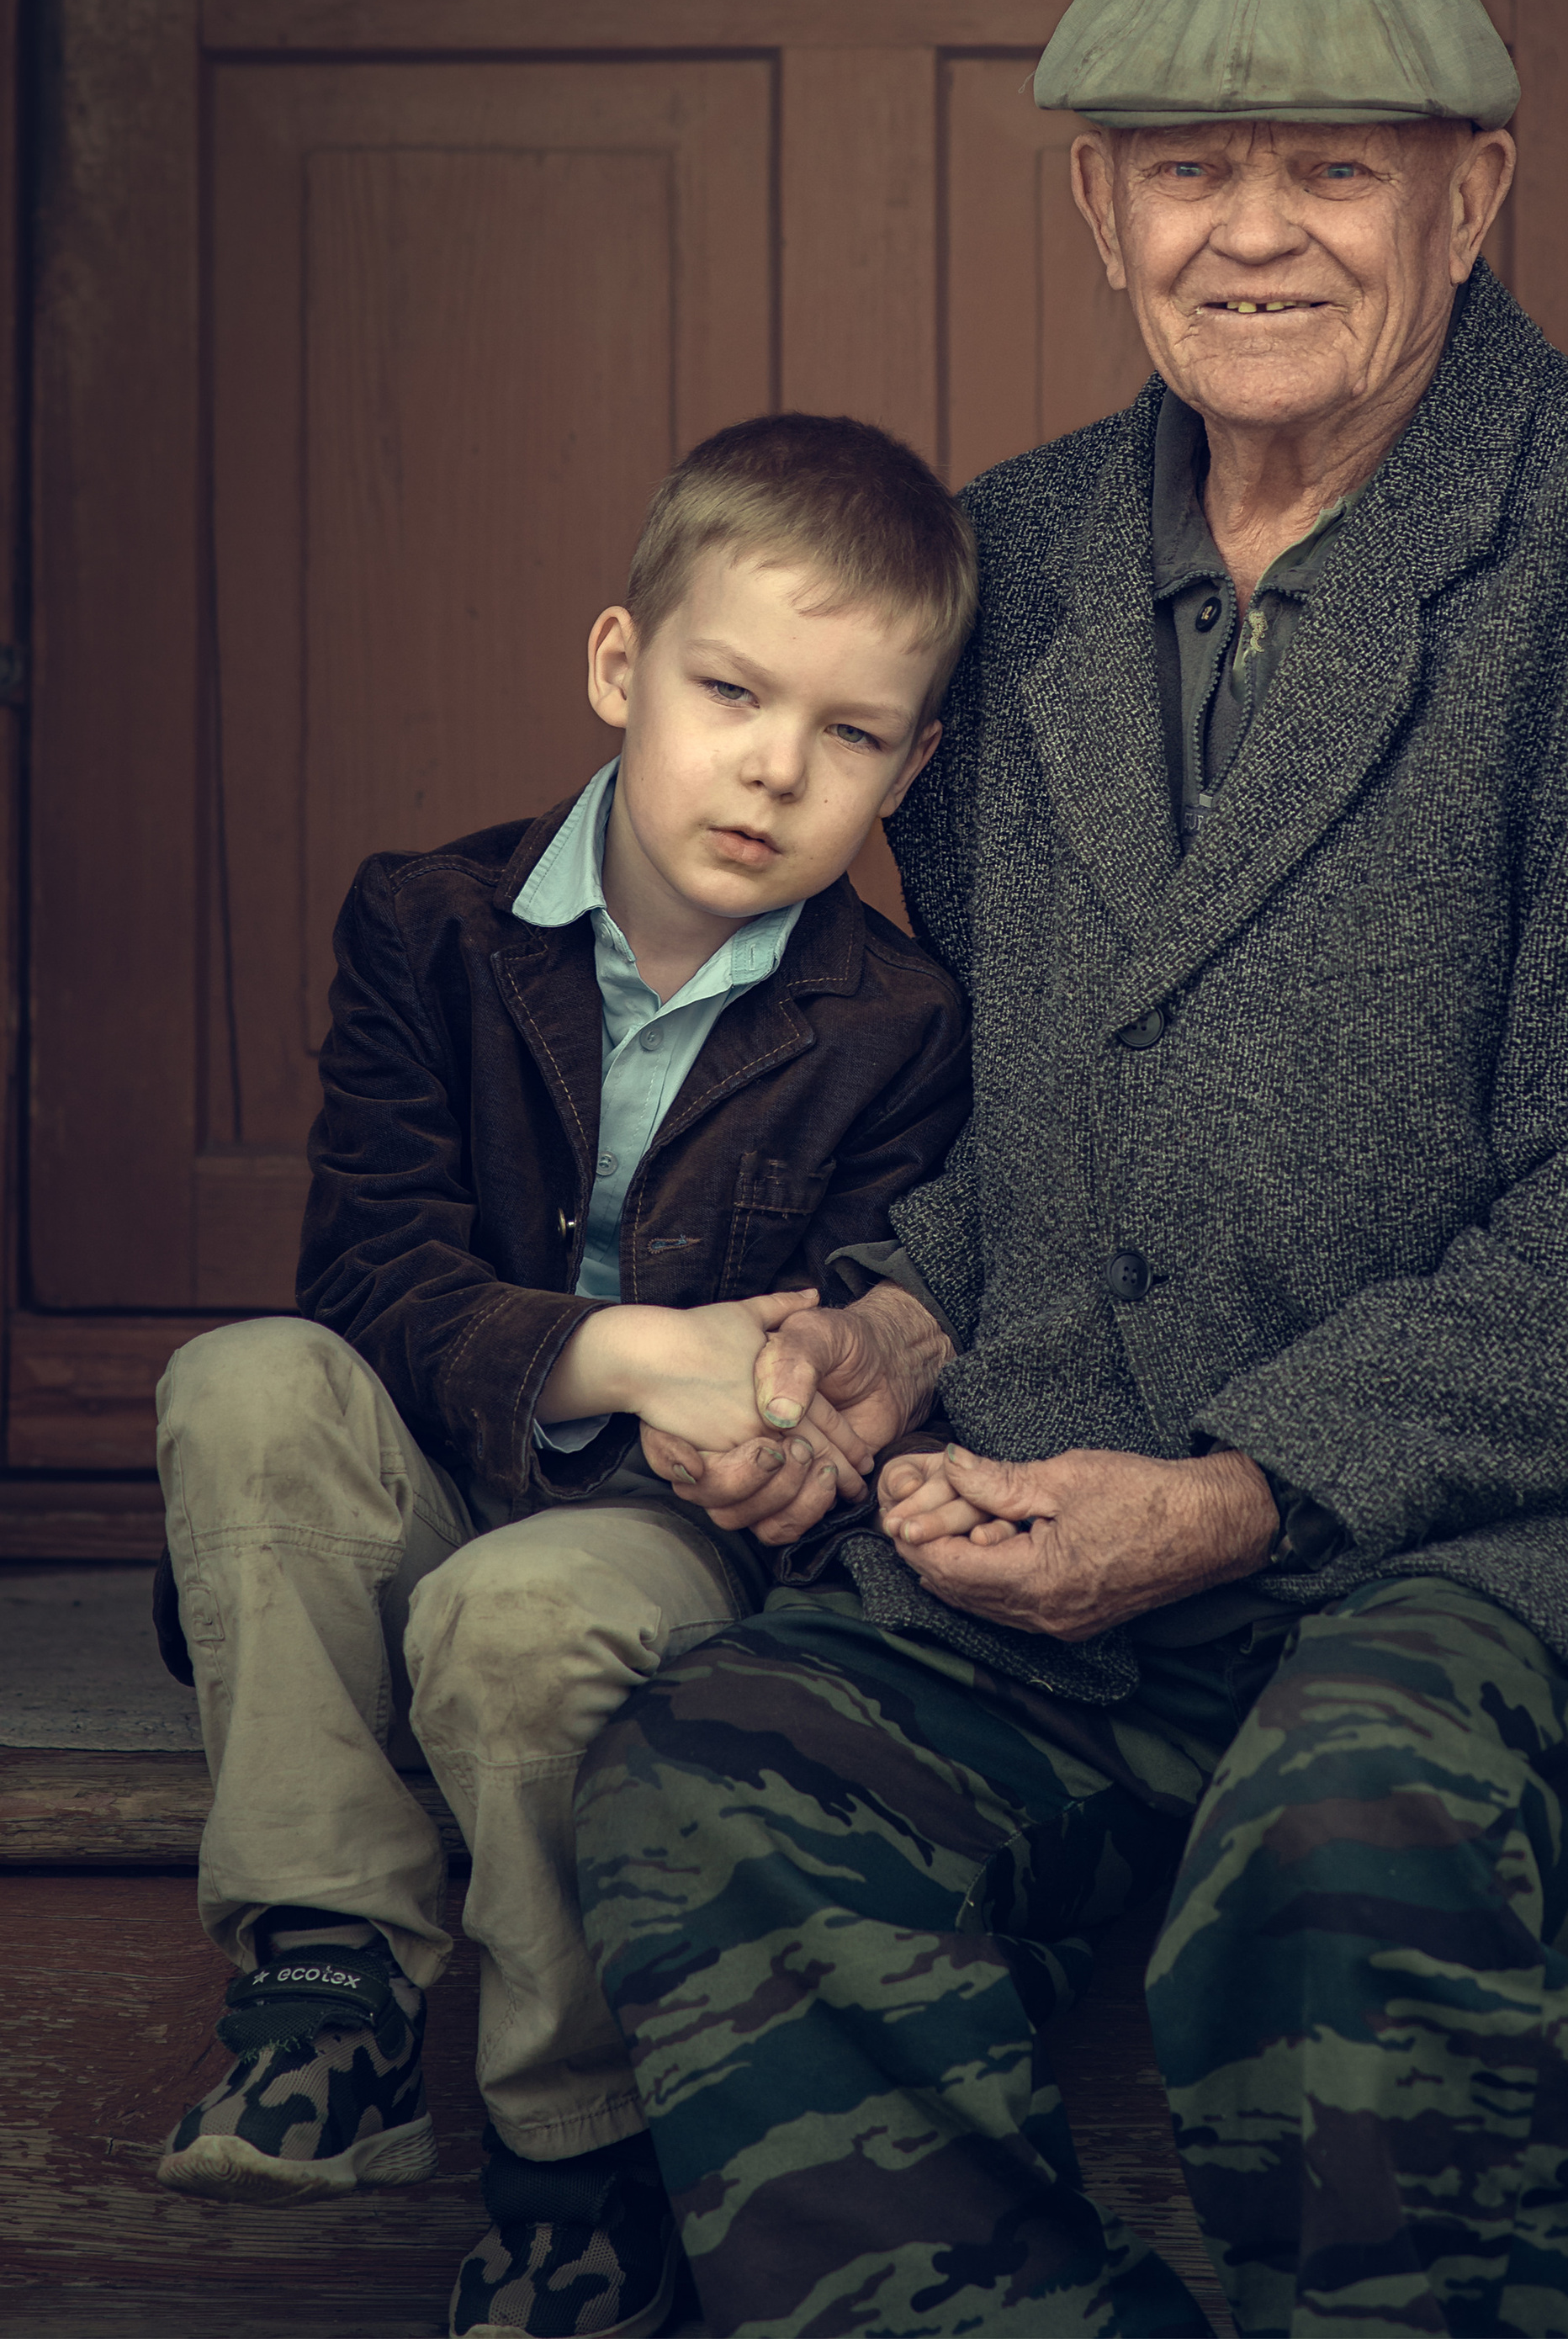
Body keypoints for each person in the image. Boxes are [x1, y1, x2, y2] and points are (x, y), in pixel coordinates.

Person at [574, 0, 1568, 2339]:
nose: (1257, 230)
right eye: (1191, 169)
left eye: (1336, 169)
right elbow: (1014, 1085)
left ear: (1474, 198)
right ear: (1100, 208)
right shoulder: (1024, 554)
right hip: (1092, 1469)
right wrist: (902, 1319)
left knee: (1354, 1830)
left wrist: (1243, 1490)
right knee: (724, 1761)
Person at [149, 414, 974, 2339]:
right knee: (245, 1380)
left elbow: (863, 1313)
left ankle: (575, 2148)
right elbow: (369, 1275)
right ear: (622, 668)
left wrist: (794, 1422)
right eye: (728, 692)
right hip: (442, 1448)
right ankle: (328, 1974)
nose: (775, 767)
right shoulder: (423, 927)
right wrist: (626, 1350)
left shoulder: (901, 1025)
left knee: (514, 1615)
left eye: (849, 735)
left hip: (655, 1542)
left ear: (910, 769)